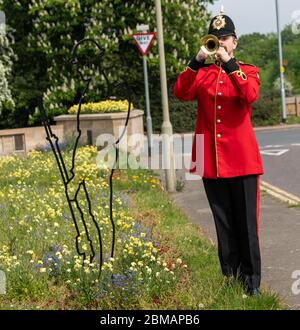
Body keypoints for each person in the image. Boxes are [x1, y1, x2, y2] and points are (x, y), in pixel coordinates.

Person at [174, 11, 264, 296]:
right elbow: (180, 92)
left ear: (234, 42)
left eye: (225, 39)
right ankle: (231, 278)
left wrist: (230, 65)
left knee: (246, 225)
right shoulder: (201, 74)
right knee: (223, 224)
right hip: (210, 160)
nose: (221, 43)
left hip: (242, 160)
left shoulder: (246, 70)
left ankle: (252, 283)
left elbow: (249, 95)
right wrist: (196, 60)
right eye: (217, 39)